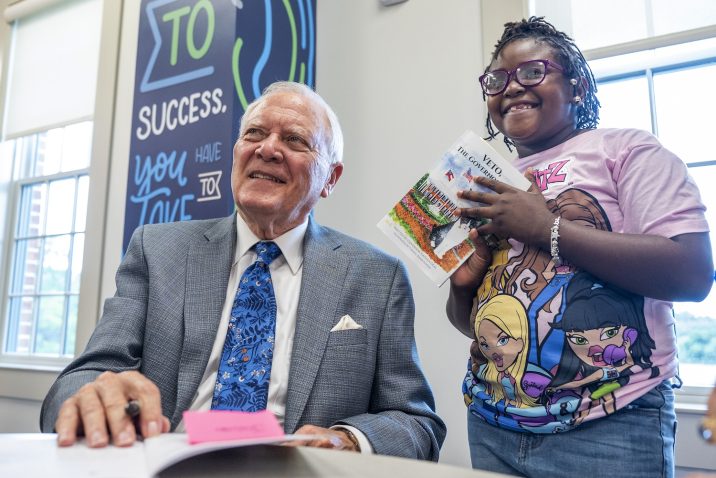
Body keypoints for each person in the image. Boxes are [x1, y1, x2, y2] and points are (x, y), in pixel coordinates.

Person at [41, 81, 446, 461]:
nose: (268, 149)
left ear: (330, 179)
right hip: (166, 463)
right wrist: (93, 394)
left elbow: (415, 423)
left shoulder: (377, 276)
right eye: (254, 134)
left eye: (294, 140)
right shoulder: (157, 250)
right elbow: (80, 381)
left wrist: (348, 440)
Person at [446, 17, 713, 477]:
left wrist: (546, 227)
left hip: (610, 426)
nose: (510, 87)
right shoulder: (484, 183)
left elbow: (690, 273)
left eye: (531, 72)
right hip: (491, 425)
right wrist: (463, 288)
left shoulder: (626, 150)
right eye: (495, 80)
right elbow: (472, 328)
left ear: (577, 87)